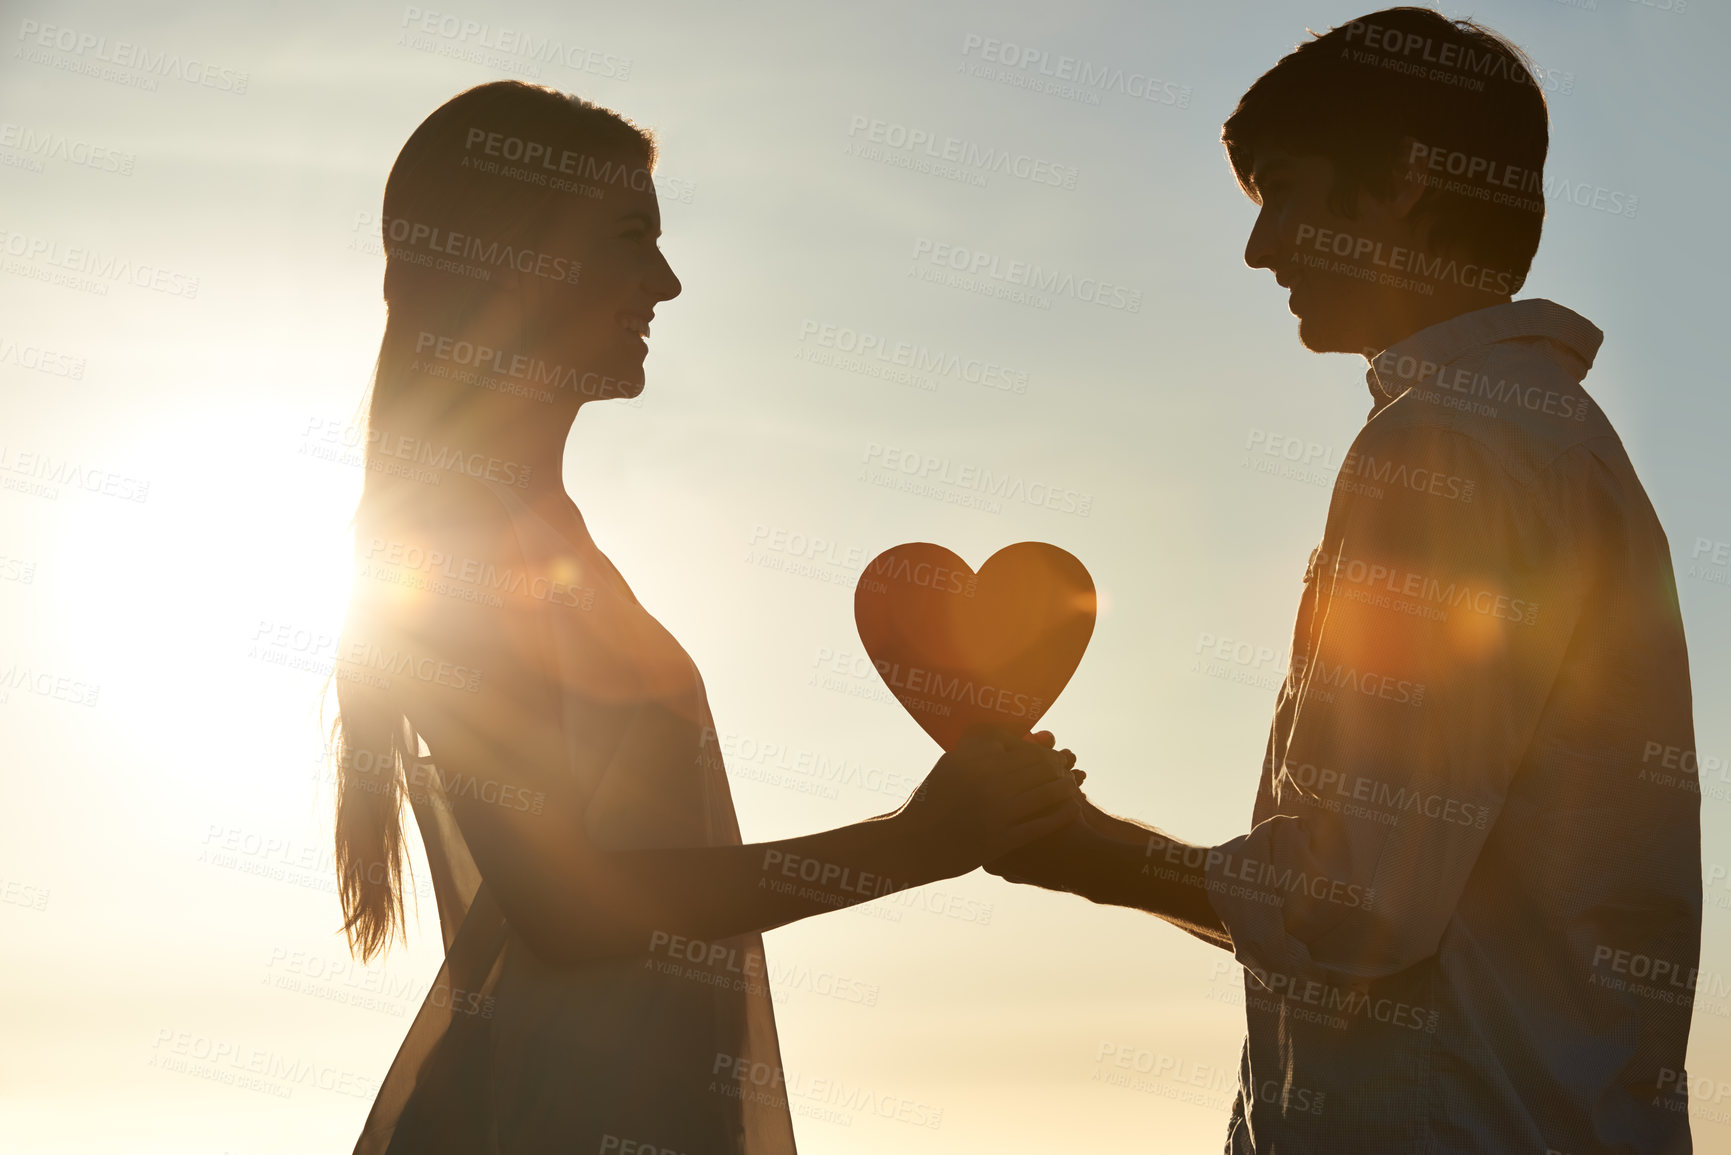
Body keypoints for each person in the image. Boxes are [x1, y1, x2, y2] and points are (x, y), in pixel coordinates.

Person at [987, 9, 1701, 1153]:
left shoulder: (1443, 449)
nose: (1260, 248)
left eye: (1283, 190)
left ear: (1408, 181)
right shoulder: (1555, 441)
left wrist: (1089, 855)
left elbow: (1361, 903)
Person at [327, 80, 1082, 1155]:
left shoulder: (534, 530)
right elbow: (566, 901)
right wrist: (913, 844)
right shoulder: (455, 531)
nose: (666, 283)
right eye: (633, 238)